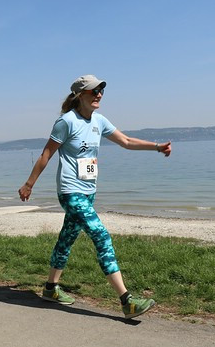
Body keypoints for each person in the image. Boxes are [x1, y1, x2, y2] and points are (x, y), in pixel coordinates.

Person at [18, 75, 172, 319]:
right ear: (80, 95)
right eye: (93, 91)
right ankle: (126, 300)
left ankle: (50, 288)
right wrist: (29, 184)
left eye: (101, 90)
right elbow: (46, 154)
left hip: (88, 192)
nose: (99, 94)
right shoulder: (66, 122)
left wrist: (156, 147)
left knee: (66, 238)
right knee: (101, 235)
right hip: (71, 191)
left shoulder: (99, 121)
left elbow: (126, 141)